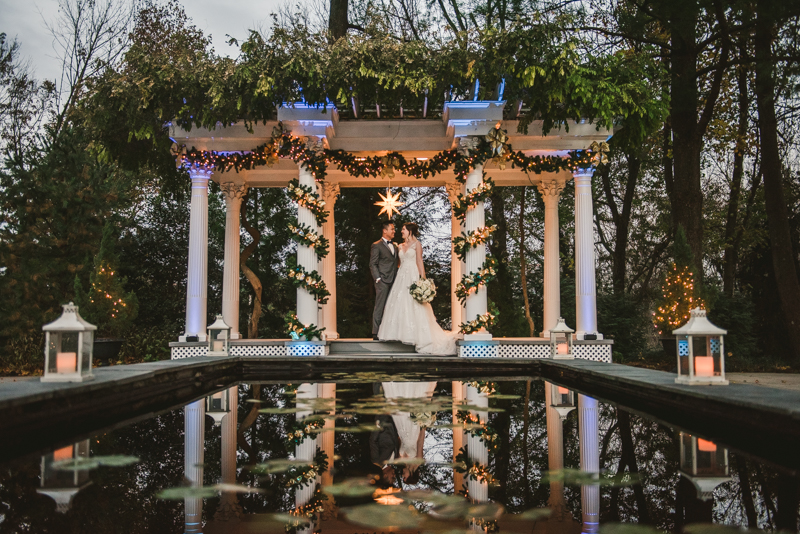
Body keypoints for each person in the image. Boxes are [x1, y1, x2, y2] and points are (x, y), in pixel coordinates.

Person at [377, 222, 457, 355]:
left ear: (410, 231)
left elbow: (419, 261)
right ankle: (399, 334)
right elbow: (397, 264)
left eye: (403, 229)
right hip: (402, 276)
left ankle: (418, 336)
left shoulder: (417, 245)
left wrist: (423, 280)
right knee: (399, 303)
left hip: (413, 275)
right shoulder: (400, 246)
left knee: (415, 304)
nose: (401, 231)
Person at [369, 221, 399, 340]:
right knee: (380, 306)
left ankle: (390, 332)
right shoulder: (376, 245)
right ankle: (375, 332)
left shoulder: (395, 246)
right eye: (392, 229)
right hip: (382, 280)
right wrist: (378, 278)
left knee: (393, 306)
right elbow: (373, 264)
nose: (394, 231)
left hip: (395, 280)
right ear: (385, 230)